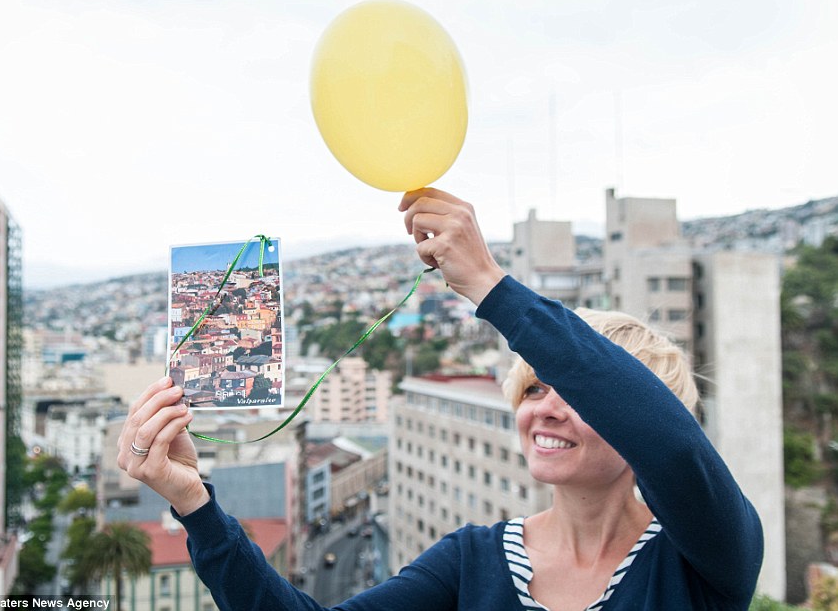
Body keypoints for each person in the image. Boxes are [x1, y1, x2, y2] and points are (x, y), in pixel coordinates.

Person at [118, 188, 763, 610]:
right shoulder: (474, 563)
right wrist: (194, 503)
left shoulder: (702, 559)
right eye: (534, 386)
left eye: (579, 392)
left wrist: (489, 284)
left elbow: (672, 444)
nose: (546, 407)